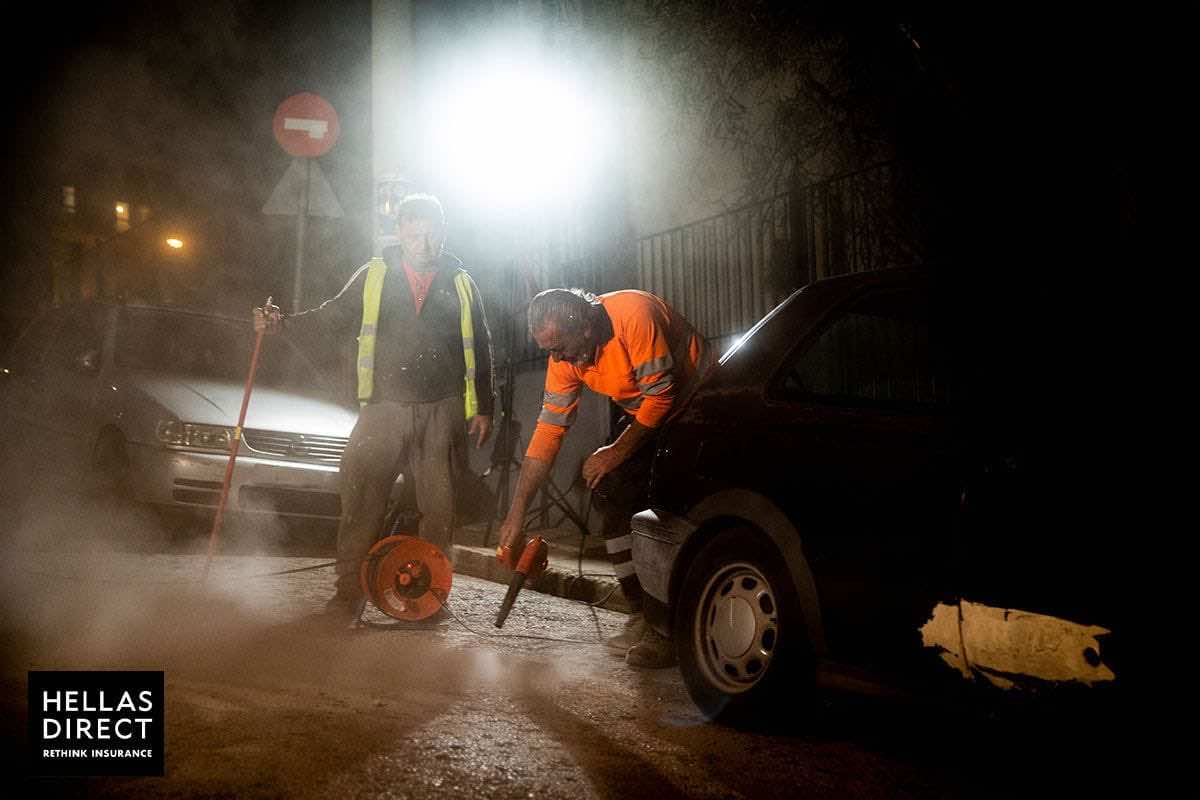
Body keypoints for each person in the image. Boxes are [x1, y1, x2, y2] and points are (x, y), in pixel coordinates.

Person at [256, 193, 495, 627]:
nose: (424, 244)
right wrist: (282, 323)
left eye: (431, 235)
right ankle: (346, 598)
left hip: (440, 411)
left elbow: (480, 343)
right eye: (415, 234)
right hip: (383, 408)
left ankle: (428, 598)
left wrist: (485, 407)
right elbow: (332, 317)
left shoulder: (460, 281)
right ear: (400, 233)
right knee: (362, 501)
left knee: (439, 513)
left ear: (442, 234)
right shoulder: (374, 276)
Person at [496, 288, 712, 668]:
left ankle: (667, 632)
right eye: (549, 350)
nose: (557, 358)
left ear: (586, 325)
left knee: (660, 511)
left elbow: (663, 395)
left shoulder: (634, 314)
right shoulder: (565, 355)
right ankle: (641, 614)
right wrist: (516, 515)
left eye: (559, 346)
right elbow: (548, 432)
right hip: (648, 412)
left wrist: (614, 452)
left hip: (699, 401)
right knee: (612, 494)